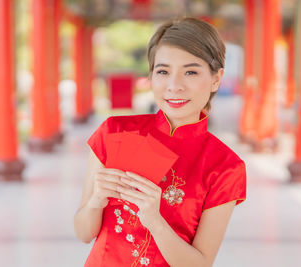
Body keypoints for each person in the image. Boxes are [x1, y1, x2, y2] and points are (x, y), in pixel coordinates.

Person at [74, 17, 246, 267]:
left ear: (216, 79)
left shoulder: (225, 166)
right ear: (151, 76)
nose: (174, 86)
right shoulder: (114, 133)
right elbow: (83, 233)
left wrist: (154, 220)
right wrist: (96, 201)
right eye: (163, 71)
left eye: (191, 72)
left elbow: (200, 264)